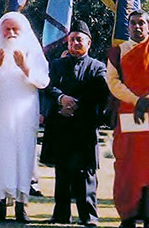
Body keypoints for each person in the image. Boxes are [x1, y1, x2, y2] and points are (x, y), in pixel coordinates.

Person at [106, 10, 149, 228]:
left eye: (142, 23)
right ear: (128, 27)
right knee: (126, 165)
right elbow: (113, 82)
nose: (137, 27)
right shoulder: (118, 52)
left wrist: (147, 102)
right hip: (128, 116)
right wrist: (136, 101)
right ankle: (127, 216)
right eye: (133, 23)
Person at [0, 11, 49, 223]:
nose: (10, 33)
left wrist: (24, 67)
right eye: (6, 29)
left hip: (23, 115)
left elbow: (43, 81)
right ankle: (0, 207)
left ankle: (21, 207)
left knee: (22, 157)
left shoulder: (33, 52)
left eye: (14, 29)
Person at [40, 20, 109, 227]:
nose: (74, 43)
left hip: (84, 127)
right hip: (61, 125)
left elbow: (100, 91)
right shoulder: (56, 65)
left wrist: (76, 104)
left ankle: (88, 216)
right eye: (71, 40)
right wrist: (62, 99)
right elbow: (47, 86)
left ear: (89, 43)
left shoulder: (98, 66)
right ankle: (61, 215)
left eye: (79, 39)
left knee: (85, 173)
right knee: (62, 172)